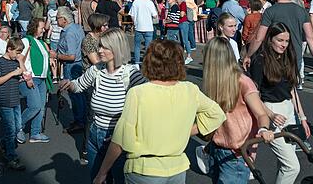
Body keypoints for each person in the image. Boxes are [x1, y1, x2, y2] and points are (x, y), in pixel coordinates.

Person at [92, 39, 226, 184]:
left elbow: (121, 138)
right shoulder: (190, 89)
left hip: (144, 169)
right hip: (177, 167)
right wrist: (186, 130)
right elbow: (217, 114)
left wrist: (102, 172)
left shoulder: (138, 93)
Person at [59, 28, 147, 182]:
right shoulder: (97, 70)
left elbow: (148, 102)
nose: (99, 51)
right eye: (99, 46)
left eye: (104, 47)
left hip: (119, 140)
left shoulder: (131, 74)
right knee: (96, 178)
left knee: (119, 179)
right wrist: (69, 84)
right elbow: (79, 85)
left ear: (116, 48)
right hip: (95, 134)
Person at [201, 36, 275, 183]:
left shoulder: (242, 81)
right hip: (218, 149)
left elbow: (261, 114)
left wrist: (264, 129)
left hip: (237, 153)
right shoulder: (213, 82)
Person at [248, 23, 311, 184]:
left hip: (289, 110)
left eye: (287, 41)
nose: (284, 44)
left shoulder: (288, 57)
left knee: (285, 163)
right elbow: (253, 94)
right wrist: (270, 114)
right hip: (270, 109)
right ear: (270, 39)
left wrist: (302, 117)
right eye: (280, 40)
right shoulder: (259, 60)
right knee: (292, 166)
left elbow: (292, 90)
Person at [244, 0, 313, 83]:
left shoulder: (270, 12)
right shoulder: (301, 10)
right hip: (295, 57)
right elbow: (310, 39)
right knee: (291, 89)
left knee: (276, 91)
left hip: (275, 58)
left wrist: (248, 55)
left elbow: (259, 38)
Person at [0, 36, 27, 170]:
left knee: (17, 128)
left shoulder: (15, 61)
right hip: (4, 100)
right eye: (17, 52)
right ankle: (12, 158)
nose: (18, 55)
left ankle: (2, 143)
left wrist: (20, 62)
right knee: (11, 130)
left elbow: (23, 72)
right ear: (9, 49)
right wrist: (12, 74)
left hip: (15, 100)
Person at [17, 17, 52, 144]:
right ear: (34, 28)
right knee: (35, 106)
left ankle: (35, 133)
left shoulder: (41, 42)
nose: (43, 30)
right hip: (31, 77)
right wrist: (27, 76)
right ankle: (18, 127)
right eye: (41, 28)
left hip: (42, 78)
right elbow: (19, 58)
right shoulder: (26, 41)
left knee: (41, 107)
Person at [54, 6, 87, 134]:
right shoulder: (77, 27)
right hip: (77, 64)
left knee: (75, 94)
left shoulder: (69, 33)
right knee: (80, 94)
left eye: (58, 18)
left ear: (64, 19)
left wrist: (55, 55)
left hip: (72, 65)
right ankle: (81, 119)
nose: (56, 21)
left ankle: (80, 121)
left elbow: (71, 56)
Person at [129, 0, 158, 64]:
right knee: (148, 47)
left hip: (139, 27)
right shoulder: (150, 3)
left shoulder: (135, 2)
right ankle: (147, 62)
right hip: (148, 27)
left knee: (137, 46)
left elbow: (132, 15)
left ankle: (137, 62)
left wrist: (135, 23)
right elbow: (155, 15)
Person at [180, 0, 198, 65]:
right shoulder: (190, 0)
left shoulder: (187, 1)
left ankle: (192, 46)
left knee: (189, 33)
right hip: (192, 18)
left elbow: (184, 12)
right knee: (189, 33)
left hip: (189, 18)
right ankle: (191, 46)